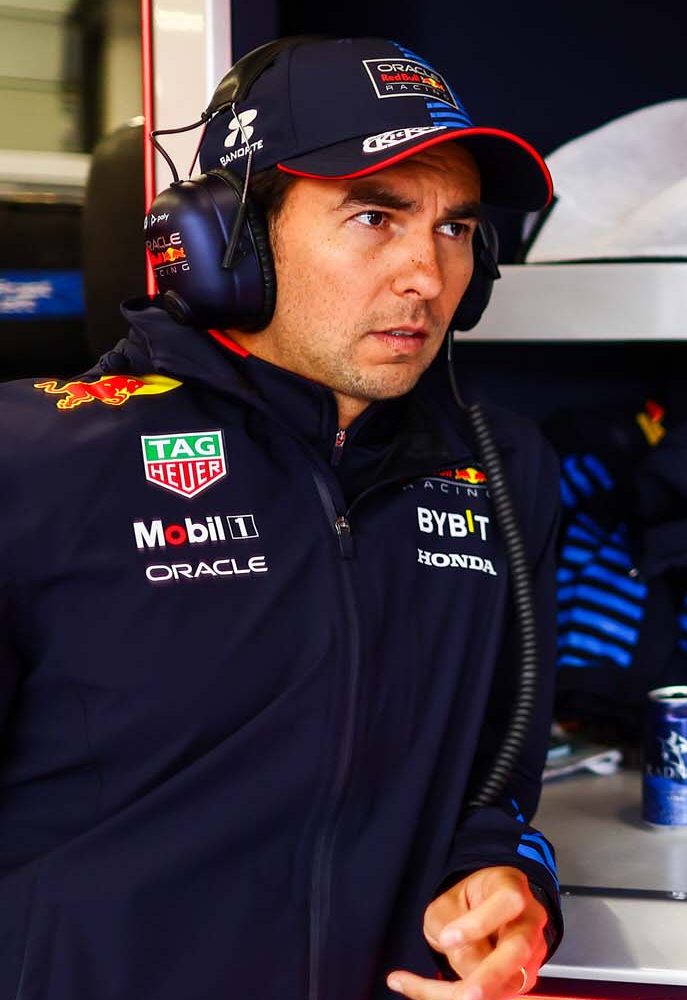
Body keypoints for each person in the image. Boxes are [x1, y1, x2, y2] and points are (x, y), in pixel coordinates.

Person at [0, 36, 563, 1000]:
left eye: (456, 229)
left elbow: (496, 783)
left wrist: (510, 888)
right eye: (376, 217)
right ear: (234, 237)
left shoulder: (501, 472)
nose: (427, 276)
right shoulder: (40, 462)